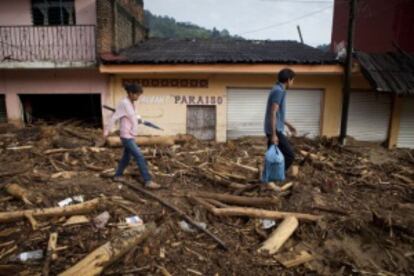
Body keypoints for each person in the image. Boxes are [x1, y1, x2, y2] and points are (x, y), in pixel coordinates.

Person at [104, 83, 160, 189]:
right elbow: (114, 118)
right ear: (130, 93)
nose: (138, 97)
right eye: (136, 94)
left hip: (131, 135)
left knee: (126, 157)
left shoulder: (132, 103)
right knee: (139, 156)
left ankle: (117, 175)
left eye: (139, 94)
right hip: (126, 136)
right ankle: (148, 181)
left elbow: (134, 116)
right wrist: (106, 132)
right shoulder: (124, 103)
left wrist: (141, 120)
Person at [263, 68, 297, 189]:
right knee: (289, 155)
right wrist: (274, 134)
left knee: (271, 156)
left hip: (273, 128)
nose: (293, 83)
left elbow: (277, 114)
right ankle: (274, 178)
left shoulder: (277, 89)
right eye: (293, 80)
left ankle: (267, 180)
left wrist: (288, 124)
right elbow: (273, 112)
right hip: (274, 129)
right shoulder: (279, 91)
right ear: (288, 80)